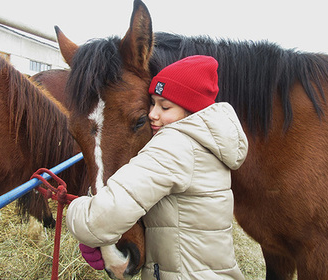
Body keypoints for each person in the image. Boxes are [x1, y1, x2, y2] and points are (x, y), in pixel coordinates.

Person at [66, 55, 248, 279]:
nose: (152, 113)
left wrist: (79, 209)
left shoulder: (175, 145)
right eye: (152, 102)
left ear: (191, 111)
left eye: (165, 106)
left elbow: (101, 218)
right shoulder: (208, 142)